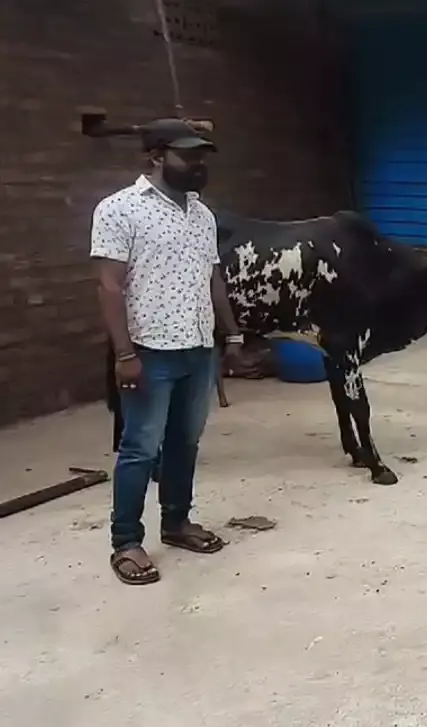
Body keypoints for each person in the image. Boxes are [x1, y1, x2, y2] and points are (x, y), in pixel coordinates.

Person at [91, 118, 243, 586]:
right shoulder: (119, 210)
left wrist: (232, 335)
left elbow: (212, 277)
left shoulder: (203, 214)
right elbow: (109, 285)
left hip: (198, 349)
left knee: (185, 442)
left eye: (201, 156)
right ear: (156, 157)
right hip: (148, 351)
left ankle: (176, 523)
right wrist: (123, 354)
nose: (198, 164)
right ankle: (126, 542)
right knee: (140, 447)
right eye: (187, 155)